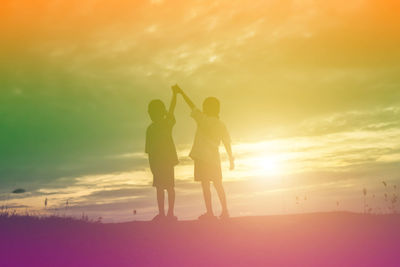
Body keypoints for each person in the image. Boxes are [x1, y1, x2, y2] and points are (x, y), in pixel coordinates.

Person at [173, 84, 234, 220]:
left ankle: (210, 213)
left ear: (206, 109)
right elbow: (227, 142)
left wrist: (181, 93)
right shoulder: (221, 124)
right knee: (218, 185)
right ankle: (225, 211)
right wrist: (231, 159)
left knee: (205, 186)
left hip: (202, 158)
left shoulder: (202, 119)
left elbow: (191, 105)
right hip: (214, 159)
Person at [145, 86, 179, 221]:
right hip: (161, 161)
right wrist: (175, 94)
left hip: (164, 161)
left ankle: (168, 213)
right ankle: (165, 214)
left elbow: (171, 109)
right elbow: (149, 150)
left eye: (151, 112)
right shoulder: (156, 127)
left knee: (166, 188)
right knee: (163, 188)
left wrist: (175, 95)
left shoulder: (164, 124)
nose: (150, 114)